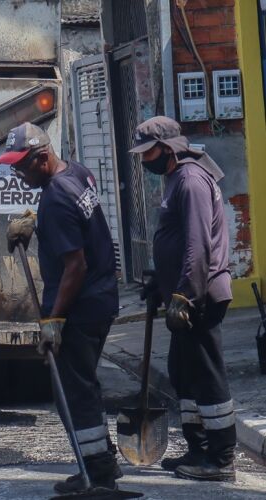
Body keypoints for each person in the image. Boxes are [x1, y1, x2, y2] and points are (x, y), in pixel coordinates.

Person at [0, 122, 120, 494]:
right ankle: (102, 461)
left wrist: (54, 319)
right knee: (82, 385)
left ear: (42, 158)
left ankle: (97, 472)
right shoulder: (76, 173)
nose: (18, 174)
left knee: (74, 391)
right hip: (102, 299)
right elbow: (78, 222)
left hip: (80, 309)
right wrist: (35, 224)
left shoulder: (55, 199)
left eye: (22, 166)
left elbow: (75, 265)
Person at [129, 116, 236, 482]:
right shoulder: (175, 178)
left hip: (200, 296)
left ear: (169, 147)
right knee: (182, 373)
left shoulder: (190, 181)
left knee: (206, 376)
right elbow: (175, 242)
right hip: (183, 294)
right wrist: (160, 283)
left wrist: (183, 294)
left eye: (149, 152)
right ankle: (198, 448)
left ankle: (220, 458)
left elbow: (197, 244)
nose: (145, 161)